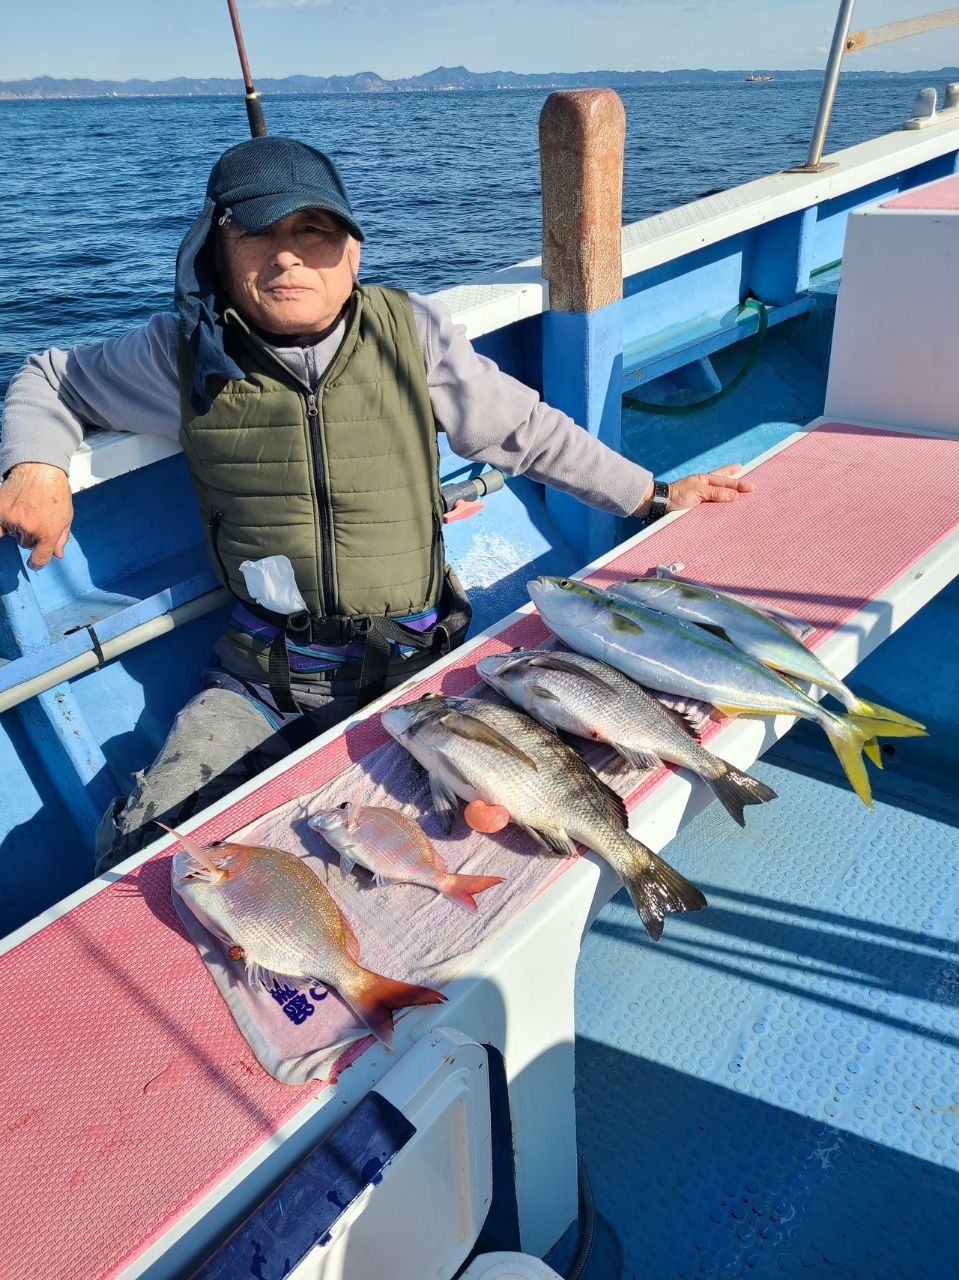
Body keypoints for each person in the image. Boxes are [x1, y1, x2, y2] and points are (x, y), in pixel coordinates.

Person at [0, 135, 753, 872]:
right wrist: (37, 464)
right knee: (143, 852)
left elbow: (525, 430)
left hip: (415, 665)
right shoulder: (177, 354)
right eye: (258, 233)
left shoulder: (409, 333)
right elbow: (49, 375)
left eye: (313, 230)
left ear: (352, 252)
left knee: (496, 825)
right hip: (264, 675)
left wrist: (652, 494)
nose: (287, 254)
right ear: (217, 253)